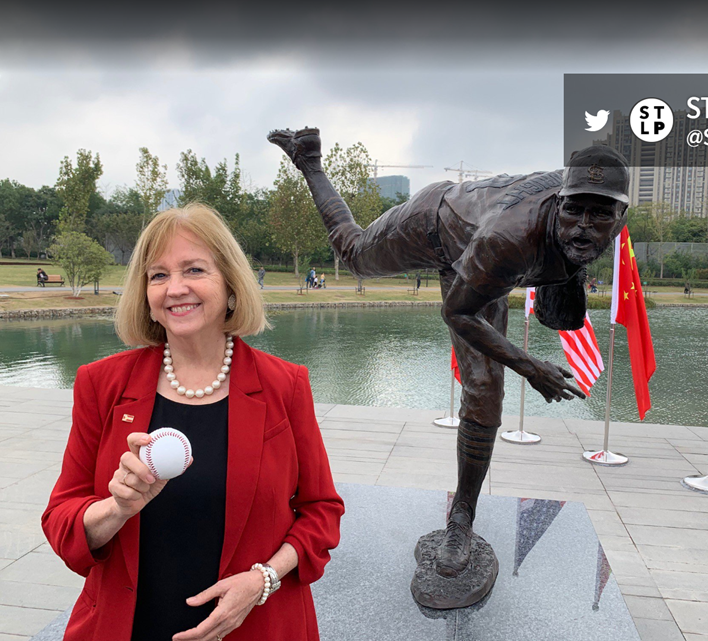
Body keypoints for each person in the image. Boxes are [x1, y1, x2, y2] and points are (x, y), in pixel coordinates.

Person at [268, 127, 628, 578]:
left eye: (601, 216)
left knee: (489, 386)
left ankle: (463, 515)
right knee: (356, 253)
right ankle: (310, 160)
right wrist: (531, 367)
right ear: (559, 202)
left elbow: (574, 253)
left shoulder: (600, 201)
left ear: (621, 214)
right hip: (433, 225)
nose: (585, 225)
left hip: (484, 251)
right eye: (574, 211)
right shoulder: (509, 239)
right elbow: (457, 312)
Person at [42, 204, 345, 641]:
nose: (175, 288)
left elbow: (321, 510)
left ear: (231, 284)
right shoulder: (101, 384)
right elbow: (60, 518)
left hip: (255, 627)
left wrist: (263, 580)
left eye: (194, 269)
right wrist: (117, 508)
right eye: (158, 275)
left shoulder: (285, 385)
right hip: (128, 626)